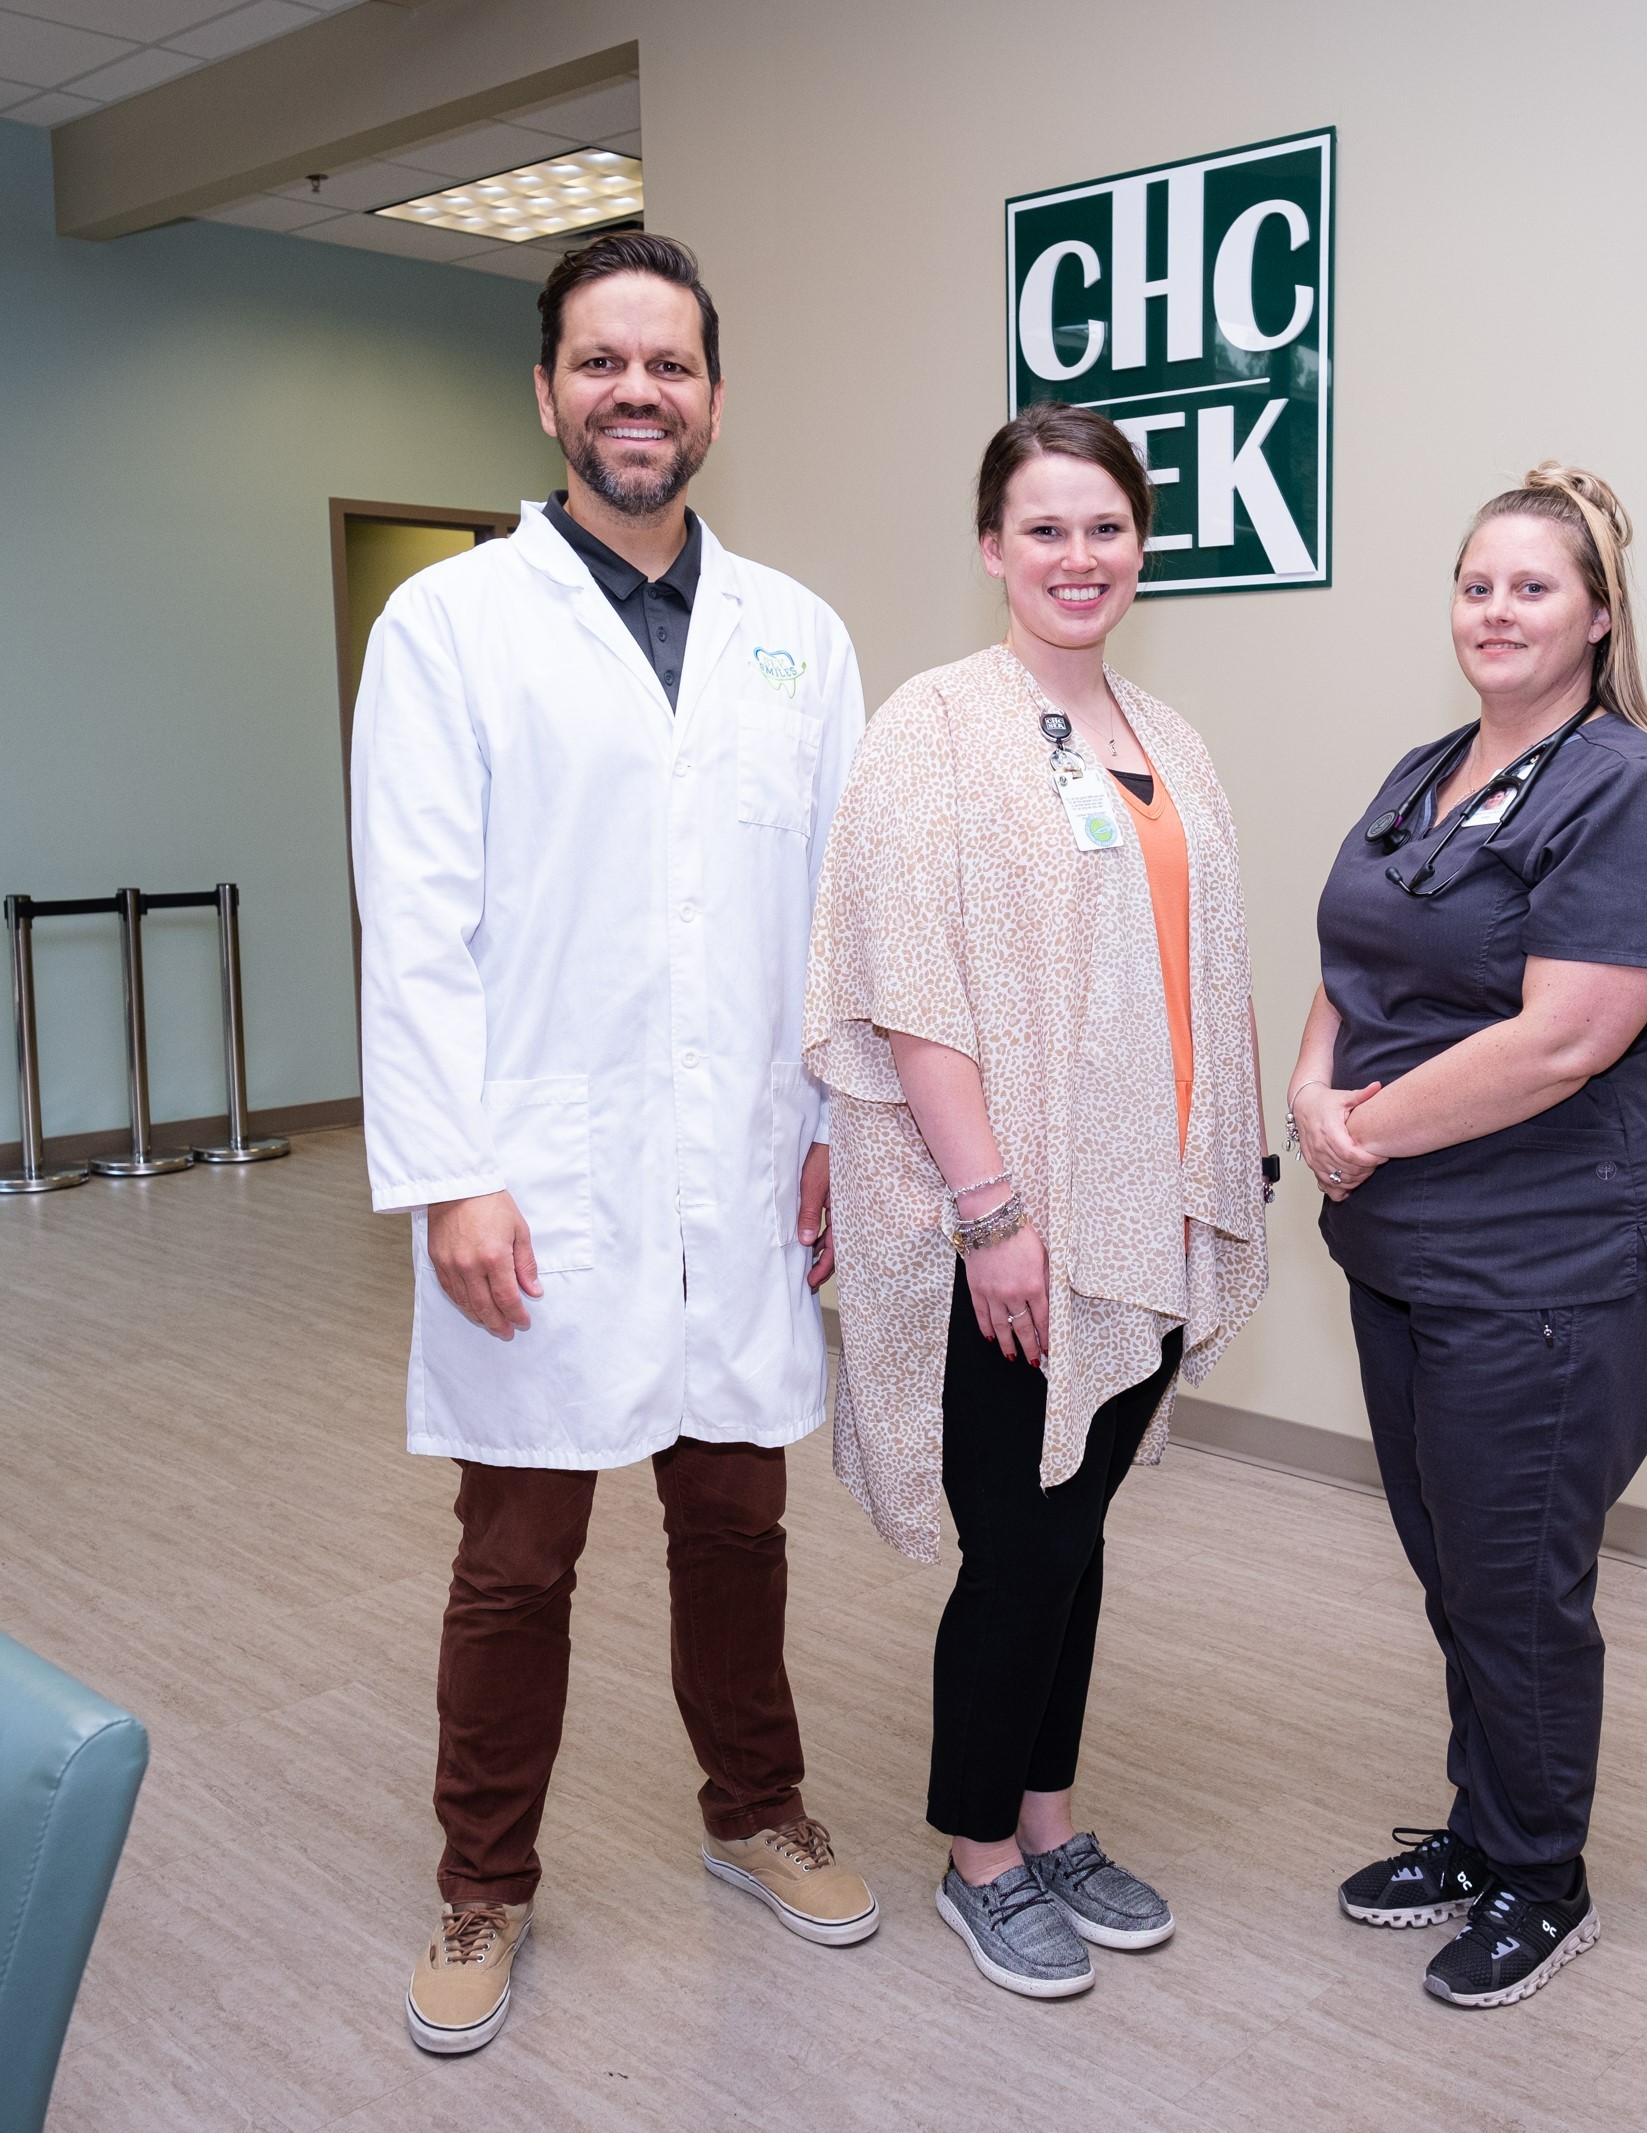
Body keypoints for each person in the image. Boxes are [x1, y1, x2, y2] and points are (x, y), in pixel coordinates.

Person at [352, 231, 877, 2058]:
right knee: (519, 1549)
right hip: (540, 1171)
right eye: (600, 362)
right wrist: (451, 1173)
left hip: (739, 1166)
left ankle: (756, 1812)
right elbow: (412, 922)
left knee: (739, 1523)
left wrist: (830, 1126)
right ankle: (481, 1880)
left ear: (714, 397)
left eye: (667, 364)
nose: (634, 392)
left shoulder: (798, 637)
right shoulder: (449, 626)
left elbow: (834, 922)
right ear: (547, 390)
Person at [803, 401, 1269, 1998]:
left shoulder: (1166, 734)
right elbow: (909, 989)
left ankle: (1051, 1819)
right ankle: (977, 1854)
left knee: (1075, 1530)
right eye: (1046, 527)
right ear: (992, 547)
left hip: (1141, 1213)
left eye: (1107, 526)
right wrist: (992, 1214)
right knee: (1019, 1544)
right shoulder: (931, 726)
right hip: (1009, 1224)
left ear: (1141, 545)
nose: (1080, 556)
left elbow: (1196, 973)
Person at [1291, 463, 1647, 2010]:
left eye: (1530, 586)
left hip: (1565, 1259)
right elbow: (1352, 943)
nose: (1495, 609)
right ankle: (1482, 1833)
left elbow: (1560, 1042)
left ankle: (1540, 1873)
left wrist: (1360, 1125)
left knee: (1514, 1576)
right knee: (1456, 1566)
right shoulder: (1429, 768)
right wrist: (1309, 1082)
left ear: (1596, 617)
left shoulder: (1630, 788)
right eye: (1476, 582)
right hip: (1409, 1253)